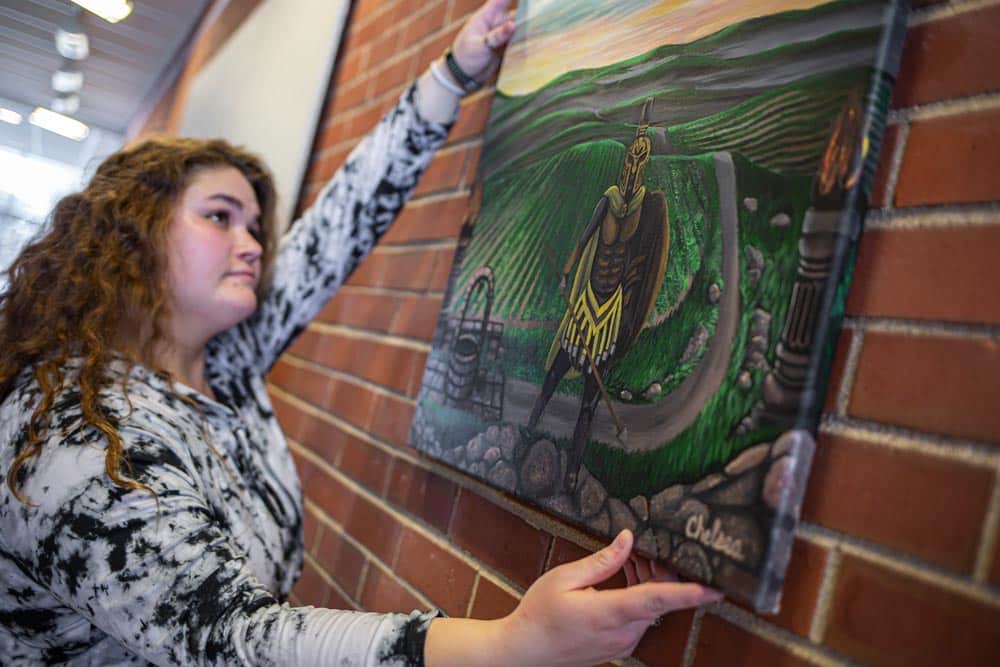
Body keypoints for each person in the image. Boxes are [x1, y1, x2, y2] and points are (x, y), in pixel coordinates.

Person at [0, 1, 721, 664]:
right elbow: (234, 640)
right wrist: (508, 643)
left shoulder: (221, 361)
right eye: (219, 217)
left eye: (255, 225)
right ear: (130, 236)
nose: (253, 243)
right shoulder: (71, 432)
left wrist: (454, 72)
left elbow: (341, 222)